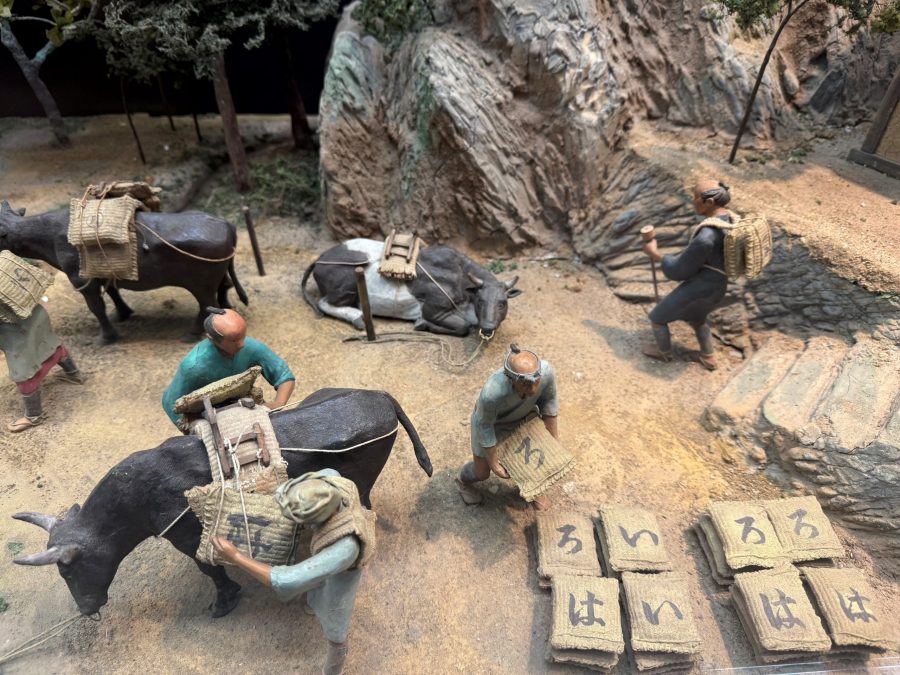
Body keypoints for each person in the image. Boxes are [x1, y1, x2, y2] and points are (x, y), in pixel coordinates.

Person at [212, 469, 375, 675]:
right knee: (314, 588)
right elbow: (286, 491)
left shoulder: (345, 548)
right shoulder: (333, 480)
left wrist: (236, 556)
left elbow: (286, 580)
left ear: (315, 522)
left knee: (336, 625)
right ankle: (312, 603)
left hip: (340, 582)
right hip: (324, 561)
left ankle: (334, 666)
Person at [641, 179, 733, 371]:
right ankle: (708, 356)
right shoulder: (730, 220)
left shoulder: (706, 237)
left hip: (699, 289)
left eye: (696, 197)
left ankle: (664, 352)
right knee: (697, 318)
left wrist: (655, 254)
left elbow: (679, 270)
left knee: (657, 318)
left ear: (709, 202)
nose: (693, 201)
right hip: (719, 286)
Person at [456, 344, 559, 507]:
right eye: (525, 384)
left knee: (535, 459)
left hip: (524, 418)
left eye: (536, 381)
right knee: (482, 473)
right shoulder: (491, 392)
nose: (532, 389)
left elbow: (549, 403)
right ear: (511, 379)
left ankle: (534, 487)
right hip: (492, 425)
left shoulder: (546, 372)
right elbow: (485, 426)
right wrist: (494, 463)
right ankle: (462, 480)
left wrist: (553, 441)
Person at [161, 307, 295, 426]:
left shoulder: (250, 347)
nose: (242, 344)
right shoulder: (193, 367)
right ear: (212, 339)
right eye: (234, 340)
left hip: (245, 404)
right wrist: (194, 428)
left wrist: (278, 403)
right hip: (209, 414)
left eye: (243, 336)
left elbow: (284, 376)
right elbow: (173, 404)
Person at [0, 303, 84, 432]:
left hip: (14, 329)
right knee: (48, 343)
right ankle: (74, 373)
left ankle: (34, 415)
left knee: (22, 370)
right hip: (33, 311)